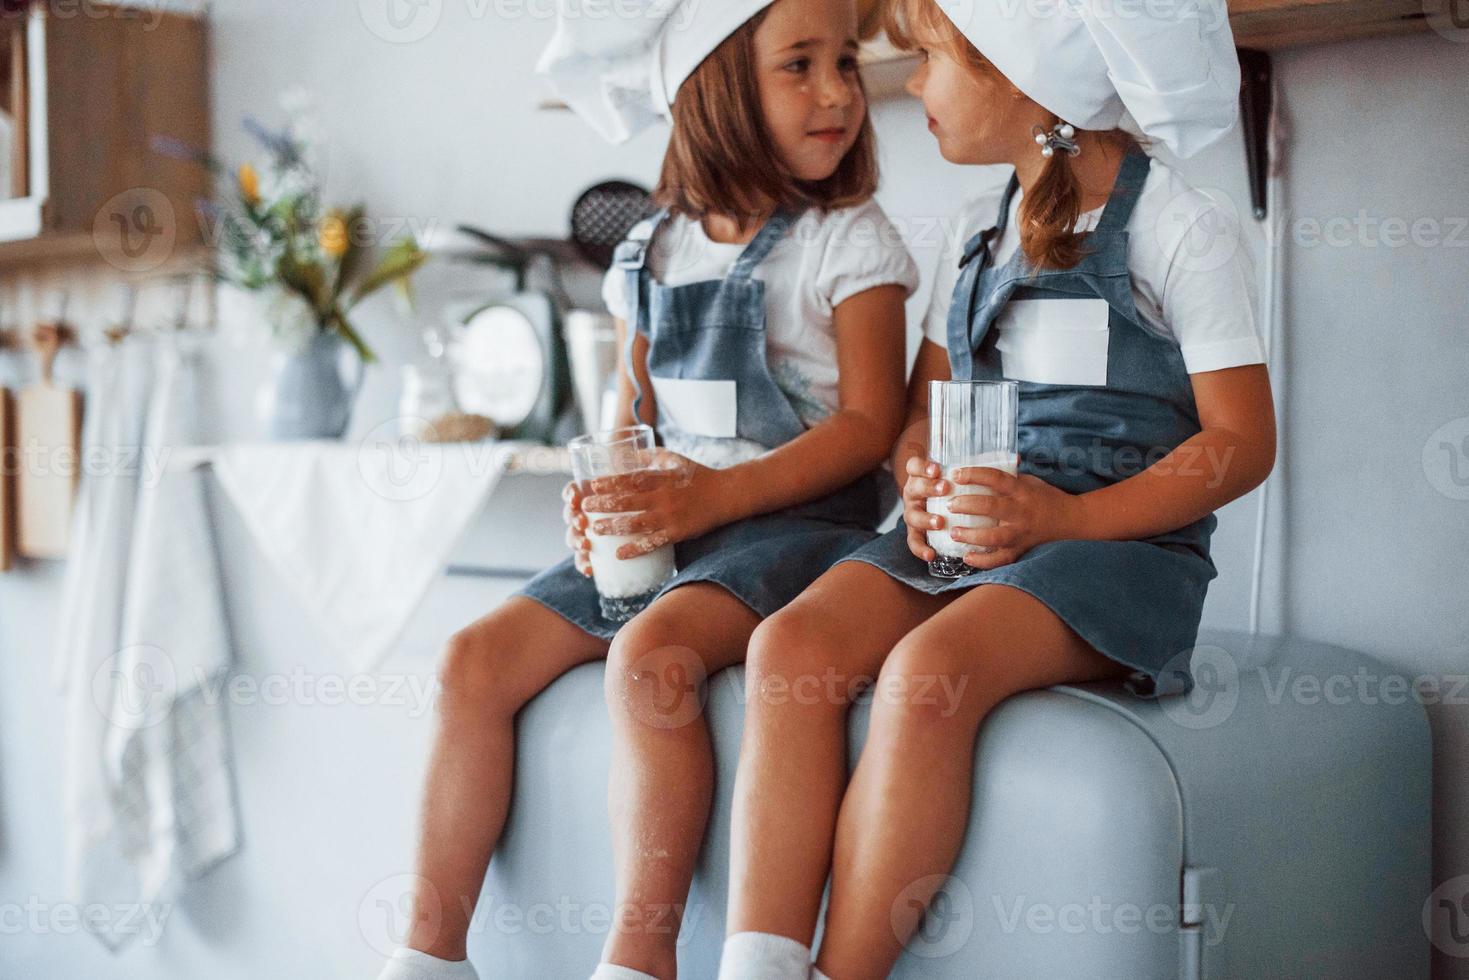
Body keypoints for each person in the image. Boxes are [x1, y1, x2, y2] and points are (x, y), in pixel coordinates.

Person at [717, 1, 1276, 977]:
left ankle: (838, 968)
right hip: (972, 532)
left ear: (1023, 77)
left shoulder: (1180, 227)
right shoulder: (975, 230)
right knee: (788, 645)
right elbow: (919, 419)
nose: (914, 88)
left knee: (927, 676)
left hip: (1117, 550)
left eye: (928, 60)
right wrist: (922, 483)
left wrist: (1068, 516)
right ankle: (755, 961)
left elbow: (1240, 442)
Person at [374, 2, 919, 978]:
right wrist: (602, 503)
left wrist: (713, 498)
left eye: (844, 61)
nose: (837, 91)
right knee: (469, 661)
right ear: (709, 88)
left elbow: (868, 427)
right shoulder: (651, 250)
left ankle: (640, 952)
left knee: (650, 658)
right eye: (799, 64)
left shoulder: (850, 238)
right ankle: (427, 953)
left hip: (794, 534)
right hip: (675, 527)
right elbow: (627, 417)